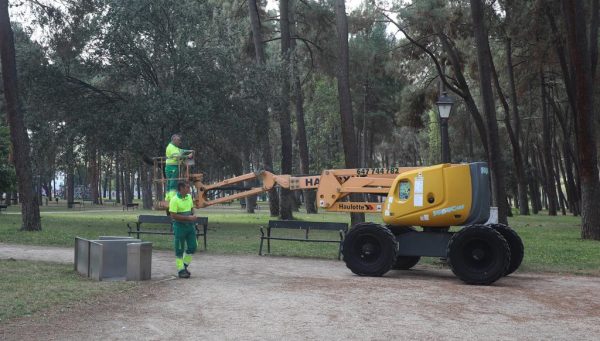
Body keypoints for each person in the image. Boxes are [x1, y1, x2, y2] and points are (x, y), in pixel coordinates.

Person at [169, 182, 198, 279]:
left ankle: (184, 267)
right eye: (187, 187)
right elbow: (173, 215)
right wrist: (188, 218)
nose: (189, 188)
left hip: (190, 227)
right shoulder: (174, 200)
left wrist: (193, 215)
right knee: (179, 249)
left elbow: (191, 208)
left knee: (193, 246)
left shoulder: (189, 197)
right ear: (181, 188)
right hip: (179, 227)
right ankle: (181, 270)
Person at [165, 134, 193, 202]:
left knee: (169, 183)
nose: (180, 142)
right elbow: (178, 156)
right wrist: (188, 157)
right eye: (178, 140)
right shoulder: (171, 148)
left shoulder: (173, 147)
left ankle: (167, 197)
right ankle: (172, 198)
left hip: (169, 167)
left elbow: (181, 151)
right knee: (173, 183)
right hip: (173, 167)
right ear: (174, 140)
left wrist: (188, 151)